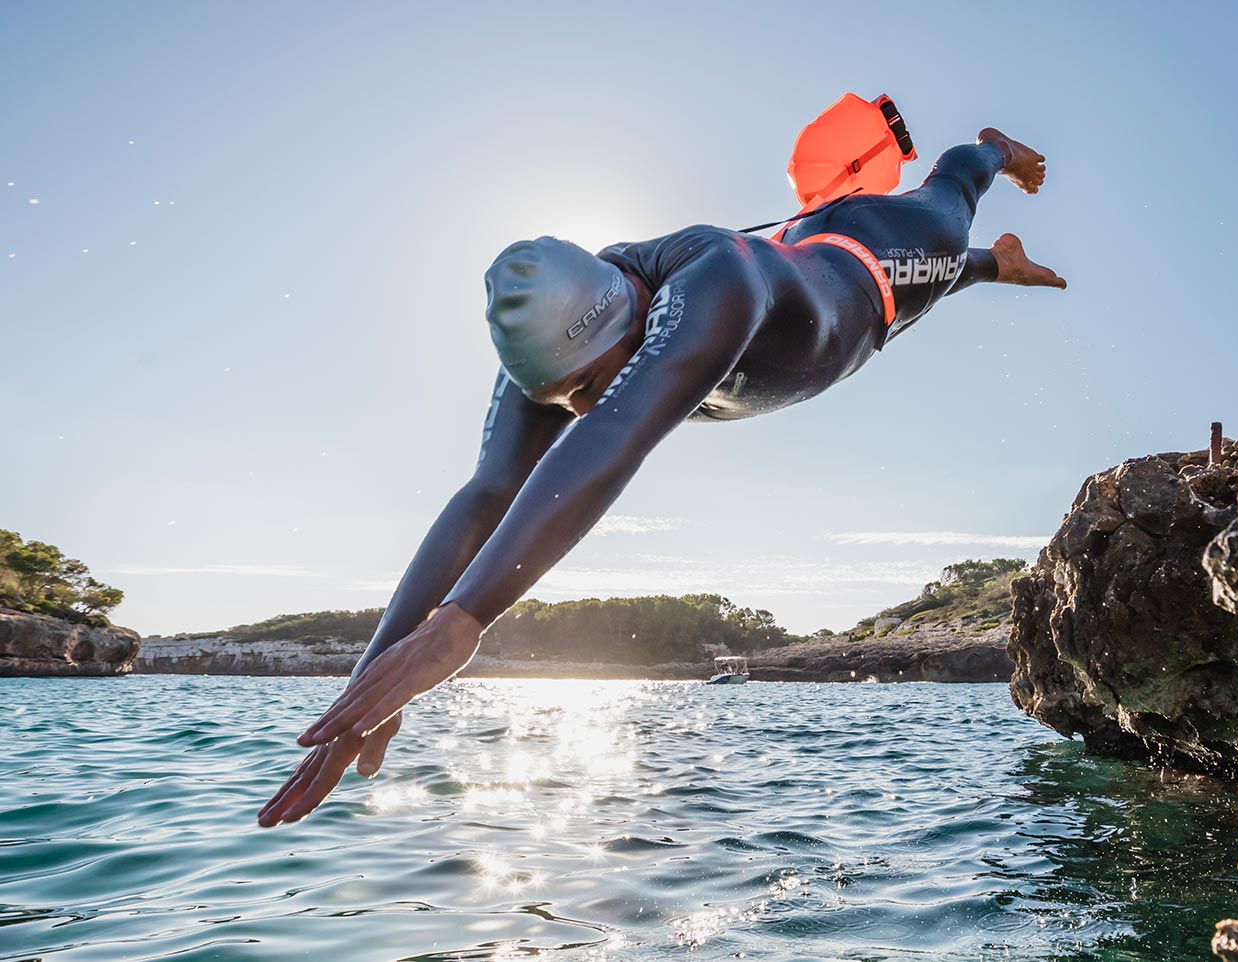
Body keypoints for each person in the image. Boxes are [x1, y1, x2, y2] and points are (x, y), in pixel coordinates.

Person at [257, 128, 1066, 827]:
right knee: (916, 282)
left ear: (632, 316)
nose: (583, 405)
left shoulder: (718, 275)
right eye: (564, 397)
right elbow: (484, 495)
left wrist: (465, 617)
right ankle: (997, 263)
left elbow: (616, 433)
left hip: (871, 257)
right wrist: (375, 679)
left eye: (592, 383)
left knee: (948, 199)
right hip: (814, 252)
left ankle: (994, 170)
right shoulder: (551, 356)